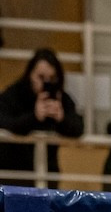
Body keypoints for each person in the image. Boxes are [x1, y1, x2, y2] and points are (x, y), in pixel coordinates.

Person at [0, 48, 84, 181]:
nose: (46, 83)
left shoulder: (61, 98)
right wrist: (34, 117)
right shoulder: (15, 94)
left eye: (51, 78)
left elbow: (78, 127)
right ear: (30, 75)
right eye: (41, 77)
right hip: (14, 171)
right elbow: (4, 121)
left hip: (48, 173)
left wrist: (61, 119)